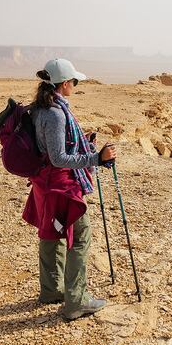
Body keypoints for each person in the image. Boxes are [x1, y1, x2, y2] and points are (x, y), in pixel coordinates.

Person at [21, 58, 116, 320]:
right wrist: (97, 158)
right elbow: (59, 158)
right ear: (64, 84)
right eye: (73, 81)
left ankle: (52, 290)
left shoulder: (41, 109)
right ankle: (76, 299)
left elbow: (53, 147)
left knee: (51, 232)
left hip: (45, 183)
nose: (75, 85)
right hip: (59, 184)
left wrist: (83, 143)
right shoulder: (54, 113)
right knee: (81, 234)